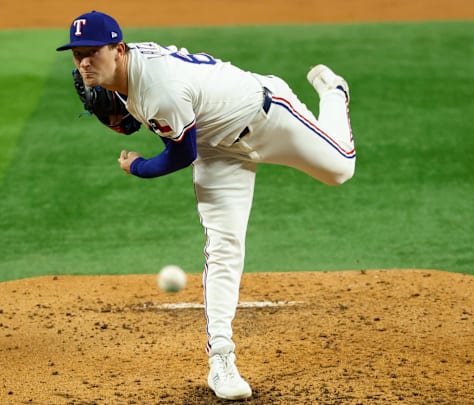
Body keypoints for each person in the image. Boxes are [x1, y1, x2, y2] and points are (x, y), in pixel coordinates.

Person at [57, 10, 356, 401]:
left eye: (92, 52)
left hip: (266, 116)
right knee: (223, 247)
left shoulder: (157, 89)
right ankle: (222, 358)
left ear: (118, 48)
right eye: (77, 53)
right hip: (217, 151)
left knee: (340, 170)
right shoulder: (126, 77)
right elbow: (180, 134)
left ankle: (334, 93)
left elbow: (181, 154)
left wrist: (138, 167)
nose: (83, 62)